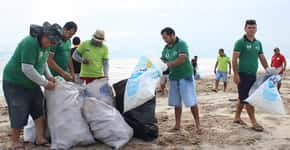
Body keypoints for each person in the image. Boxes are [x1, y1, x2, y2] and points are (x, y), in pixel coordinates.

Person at [2, 22, 63, 149]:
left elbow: (43, 61)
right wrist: (45, 83)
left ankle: (40, 138)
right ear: (44, 35)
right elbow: (27, 68)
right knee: (18, 109)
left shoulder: (46, 45)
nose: (51, 45)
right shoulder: (30, 43)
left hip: (32, 82)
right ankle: (14, 142)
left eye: (54, 43)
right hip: (15, 82)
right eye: (51, 42)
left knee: (38, 108)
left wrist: (49, 76)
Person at [160, 27, 201, 134]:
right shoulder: (165, 48)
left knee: (191, 101)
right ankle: (177, 125)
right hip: (173, 77)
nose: (164, 40)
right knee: (176, 103)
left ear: (172, 35)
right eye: (163, 38)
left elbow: (182, 59)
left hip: (185, 76)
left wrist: (169, 64)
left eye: (166, 37)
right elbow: (163, 60)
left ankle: (198, 125)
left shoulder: (182, 44)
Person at [232, 20, 270, 132]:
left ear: (256, 29)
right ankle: (253, 122)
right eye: (249, 27)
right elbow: (234, 59)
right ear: (245, 28)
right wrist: (236, 74)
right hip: (242, 75)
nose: (251, 29)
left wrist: (268, 70)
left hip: (253, 75)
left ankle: (237, 118)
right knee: (249, 99)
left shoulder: (258, 43)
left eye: (253, 27)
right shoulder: (240, 42)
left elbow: (262, 57)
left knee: (243, 97)